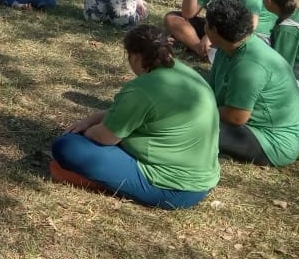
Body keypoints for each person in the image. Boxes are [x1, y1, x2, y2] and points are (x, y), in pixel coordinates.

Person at [50, 26, 220, 210]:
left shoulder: (142, 89)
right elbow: (132, 113)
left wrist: (85, 132)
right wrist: (91, 119)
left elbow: (104, 137)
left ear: (136, 57)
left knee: (67, 145)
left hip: (171, 188)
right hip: (202, 181)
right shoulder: (186, 73)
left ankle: (98, 182)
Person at [204, 0, 299, 166]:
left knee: (191, 127)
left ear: (214, 30)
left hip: (271, 142)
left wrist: (199, 111)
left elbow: (237, 117)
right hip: (247, 128)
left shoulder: (250, 64)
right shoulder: (226, 48)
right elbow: (212, 91)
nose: (204, 26)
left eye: (206, 23)